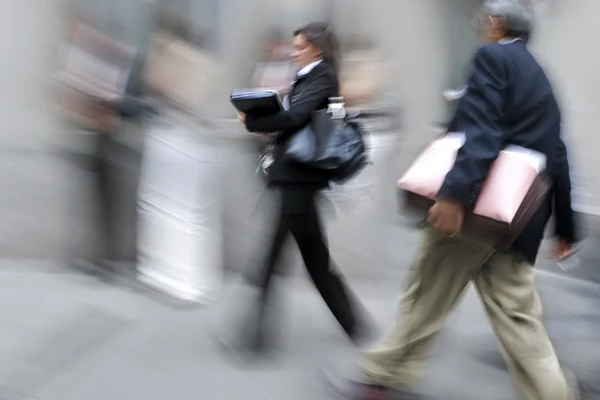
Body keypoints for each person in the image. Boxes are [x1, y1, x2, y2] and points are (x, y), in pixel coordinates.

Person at [326, 1, 583, 399]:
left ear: (496, 23)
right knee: (518, 317)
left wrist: (452, 196)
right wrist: (566, 228)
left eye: (481, 20)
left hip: (474, 210)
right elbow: (558, 154)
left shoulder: (491, 55)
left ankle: (384, 377)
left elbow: (482, 128)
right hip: (518, 216)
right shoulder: (539, 74)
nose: (478, 26)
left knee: (426, 294)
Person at [232, 22, 370, 356]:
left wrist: (254, 121)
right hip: (295, 179)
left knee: (293, 259)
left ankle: (255, 339)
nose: (293, 52)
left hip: (299, 180)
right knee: (304, 260)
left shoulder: (320, 75)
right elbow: (298, 122)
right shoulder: (310, 76)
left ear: (316, 49)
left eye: (299, 47)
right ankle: (351, 325)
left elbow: (295, 118)